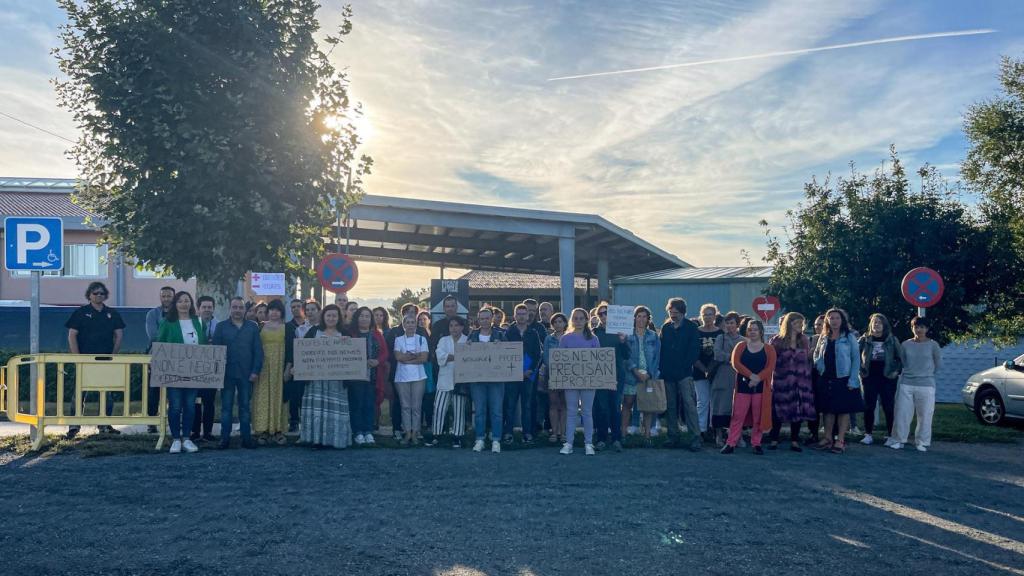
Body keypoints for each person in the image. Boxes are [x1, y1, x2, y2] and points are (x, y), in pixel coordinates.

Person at [65, 281, 125, 438]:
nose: (99, 295)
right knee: (79, 393)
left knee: (107, 394)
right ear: (89, 295)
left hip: (105, 359)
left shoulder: (112, 313)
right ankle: (74, 426)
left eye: (101, 293)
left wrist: (113, 354)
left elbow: (119, 335)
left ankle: (105, 424)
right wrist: (78, 358)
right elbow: (72, 335)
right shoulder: (81, 312)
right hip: (85, 359)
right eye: (95, 293)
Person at [156, 291, 208, 454]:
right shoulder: (167, 322)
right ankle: (176, 439)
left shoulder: (198, 322)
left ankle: (187, 438)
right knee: (176, 405)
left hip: (193, 371)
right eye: (180, 301)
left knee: (190, 406)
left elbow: (204, 345)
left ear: (191, 304)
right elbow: (160, 343)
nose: (184, 304)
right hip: (174, 370)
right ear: (175, 304)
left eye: (187, 301)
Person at [213, 297, 263, 449]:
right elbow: (216, 352)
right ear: (230, 309)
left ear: (245, 310)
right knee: (226, 407)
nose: (237, 310)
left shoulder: (253, 327)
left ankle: (246, 439)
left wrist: (255, 371)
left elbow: (258, 351)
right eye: (234, 307)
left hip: (247, 373)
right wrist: (216, 374)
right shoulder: (221, 327)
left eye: (240, 307)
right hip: (227, 374)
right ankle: (224, 439)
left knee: (245, 407)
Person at [300, 304, 352, 449]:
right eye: (328, 315)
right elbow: (302, 352)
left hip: (337, 380)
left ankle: (335, 440)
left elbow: (352, 355)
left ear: (338, 318)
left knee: (334, 409)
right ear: (323, 316)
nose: (331, 318)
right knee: (318, 409)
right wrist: (297, 368)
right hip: (316, 381)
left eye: (334, 315)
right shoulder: (313, 331)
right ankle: (316, 439)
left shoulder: (345, 333)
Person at [721, 319, 776, 455]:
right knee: (738, 416)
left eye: (755, 329)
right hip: (743, 387)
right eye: (750, 329)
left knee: (758, 417)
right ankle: (731, 443)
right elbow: (736, 363)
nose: (752, 332)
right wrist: (751, 376)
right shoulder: (740, 346)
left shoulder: (769, 349)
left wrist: (758, 378)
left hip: (760, 387)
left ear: (761, 331)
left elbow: (770, 367)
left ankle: (756, 443)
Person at [813, 308, 863, 454]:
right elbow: (816, 353)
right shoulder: (823, 337)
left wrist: (853, 380)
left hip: (843, 378)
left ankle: (840, 440)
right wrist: (818, 364)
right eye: (831, 318)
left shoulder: (849, 337)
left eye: (837, 318)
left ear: (842, 320)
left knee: (843, 410)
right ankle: (828, 438)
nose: (834, 321)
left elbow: (856, 359)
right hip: (826, 377)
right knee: (827, 410)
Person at [890, 317, 942, 452]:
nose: (919, 330)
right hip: (906, 383)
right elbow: (902, 361)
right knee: (902, 414)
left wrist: (926, 374)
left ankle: (922, 442)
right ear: (912, 328)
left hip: (926, 384)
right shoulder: (905, 344)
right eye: (916, 327)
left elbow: (938, 364)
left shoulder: (933, 345)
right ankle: (899, 440)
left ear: (927, 329)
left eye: (922, 327)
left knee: (925, 415)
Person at [767, 312, 816, 451]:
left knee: (798, 410)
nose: (799, 326)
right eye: (796, 323)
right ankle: (774, 439)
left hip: (801, 381)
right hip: (781, 381)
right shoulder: (776, 341)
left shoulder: (804, 340)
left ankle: (794, 440)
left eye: (801, 323)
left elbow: (807, 359)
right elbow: (771, 361)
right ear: (788, 324)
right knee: (778, 410)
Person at [658, 298, 702, 450]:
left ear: (683, 312)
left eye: (675, 312)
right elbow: (661, 350)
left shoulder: (691, 327)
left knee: (689, 405)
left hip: (684, 373)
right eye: (670, 312)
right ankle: (673, 436)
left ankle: (695, 437)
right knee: (670, 406)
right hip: (668, 373)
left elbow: (694, 351)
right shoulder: (665, 328)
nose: (673, 315)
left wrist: (684, 367)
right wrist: (663, 370)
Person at [558, 308, 601, 456]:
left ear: (586, 320)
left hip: (589, 381)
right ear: (571, 320)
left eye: (581, 318)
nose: (578, 321)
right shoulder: (565, 339)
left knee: (587, 412)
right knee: (571, 412)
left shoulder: (593, 339)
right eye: (575, 318)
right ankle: (569, 443)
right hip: (570, 381)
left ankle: (588, 443)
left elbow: (599, 360)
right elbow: (560, 361)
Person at [253, 299, 294, 445]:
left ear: (281, 312)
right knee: (262, 397)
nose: (274, 312)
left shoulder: (288, 328)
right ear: (267, 312)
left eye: (277, 310)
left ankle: (278, 431)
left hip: (280, 368)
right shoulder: (259, 327)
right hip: (263, 368)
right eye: (271, 310)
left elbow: (291, 350)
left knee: (279, 397)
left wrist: (288, 368)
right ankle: (263, 431)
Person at [858, 313, 902, 446]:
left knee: (888, 406)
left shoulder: (892, 340)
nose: (876, 324)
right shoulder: (864, 340)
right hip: (869, 376)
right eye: (874, 322)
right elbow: (855, 355)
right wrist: (860, 370)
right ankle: (868, 434)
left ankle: (890, 435)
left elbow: (900, 358)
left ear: (884, 325)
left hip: (887, 377)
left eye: (879, 322)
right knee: (869, 406)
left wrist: (896, 372)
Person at [503, 303, 544, 444]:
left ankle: (527, 433)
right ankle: (508, 433)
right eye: (518, 314)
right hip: (511, 374)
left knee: (527, 406)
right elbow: (503, 353)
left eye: (523, 314)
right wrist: (514, 371)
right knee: (510, 405)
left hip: (528, 376)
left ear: (528, 316)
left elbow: (538, 354)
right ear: (514, 316)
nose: (521, 316)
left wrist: (530, 370)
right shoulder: (508, 332)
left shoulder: (533, 333)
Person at [348, 306, 389, 445]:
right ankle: (358, 432)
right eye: (361, 316)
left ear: (370, 319)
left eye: (367, 316)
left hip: (373, 375)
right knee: (357, 404)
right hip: (355, 377)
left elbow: (385, 353)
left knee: (369, 404)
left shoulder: (377, 335)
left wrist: (377, 361)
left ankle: (368, 431)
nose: (364, 319)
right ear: (357, 318)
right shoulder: (350, 334)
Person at [593, 302, 629, 452]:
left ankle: (616, 439)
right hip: (599, 374)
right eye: (600, 314)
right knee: (601, 407)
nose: (603, 316)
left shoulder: (621, 333)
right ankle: (601, 438)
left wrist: (623, 342)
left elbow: (627, 355)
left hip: (617, 375)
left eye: (606, 312)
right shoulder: (593, 333)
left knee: (615, 407)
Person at [468, 307, 506, 453]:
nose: (484, 321)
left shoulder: (501, 334)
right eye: (482, 318)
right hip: (477, 380)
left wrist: (500, 346)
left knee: (496, 411)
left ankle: (496, 440)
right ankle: (480, 439)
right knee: (479, 410)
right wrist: (468, 347)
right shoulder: (472, 335)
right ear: (478, 320)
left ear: (492, 318)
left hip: (496, 379)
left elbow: (509, 352)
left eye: (487, 318)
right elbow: (466, 356)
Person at [432, 315, 469, 448]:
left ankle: (457, 436)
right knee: (439, 408)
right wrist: (459, 356)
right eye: (451, 326)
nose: (453, 328)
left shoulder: (467, 340)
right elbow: (440, 356)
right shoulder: (443, 340)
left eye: (456, 325)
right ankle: (436, 434)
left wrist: (452, 357)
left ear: (462, 327)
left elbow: (469, 358)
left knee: (459, 410)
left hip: (461, 380)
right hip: (445, 378)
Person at [625, 306, 660, 443]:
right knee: (628, 403)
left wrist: (651, 373)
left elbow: (657, 356)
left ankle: (647, 435)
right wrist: (634, 370)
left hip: (648, 376)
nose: (641, 319)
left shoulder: (653, 335)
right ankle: (625, 433)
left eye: (644, 316)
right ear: (634, 318)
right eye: (638, 316)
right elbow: (626, 356)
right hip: (631, 375)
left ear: (648, 319)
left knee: (647, 405)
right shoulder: (628, 335)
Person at [393, 313, 429, 445]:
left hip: (419, 376)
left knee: (416, 406)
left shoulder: (422, 339)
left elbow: (424, 358)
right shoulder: (399, 340)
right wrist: (415, 357)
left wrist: (407, 359)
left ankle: (415, 432)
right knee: (405, 406)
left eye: (412, 322)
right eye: (407, 322)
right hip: (402, 377)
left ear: (416, 324)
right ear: (403, 325)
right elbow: (398, 357)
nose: (410, 325)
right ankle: (407, 432)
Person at [710, 312, 744, 447]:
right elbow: (717, 355)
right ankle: (718, 436)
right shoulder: (720, 338)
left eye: (732, 323)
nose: (729, 326)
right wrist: (734, 358)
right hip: (722, 375)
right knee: (719, 406)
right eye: (727, 323)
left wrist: (730, 358)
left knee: (737, 407)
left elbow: (746, 357)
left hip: (738, 376)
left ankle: (737, 436)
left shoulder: (743, 340)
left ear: (737, 324)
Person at [145, 285, 175, 428]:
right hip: (156, 355)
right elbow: (153, 335)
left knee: (174, 390)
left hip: (177, 358)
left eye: (169, 296)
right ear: (160, 297)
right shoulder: (152, 314)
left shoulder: (180, 314)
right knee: (154, 390)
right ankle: (152, 422)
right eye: (164, 296)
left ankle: (172, 420)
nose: (166, 299)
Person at [191, 296, 219, 443]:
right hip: (195, 368)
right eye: (204, 307)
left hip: (212, 369)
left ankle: (207, 432)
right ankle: (195, 431)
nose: (207, 310)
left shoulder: (218, 325)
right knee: (195, 401)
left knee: (209, 402)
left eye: (209, 307)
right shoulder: (192, 324)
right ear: (198, 308)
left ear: (213, 308)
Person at [694, 303, 723, 440]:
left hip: (717, 372)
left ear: (715, 316)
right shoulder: (696, 332)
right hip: (699, 370)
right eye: (705, 314)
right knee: (702, 401)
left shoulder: (720, 333)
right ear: (701, 315)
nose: (707, 317)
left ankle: (714, 428)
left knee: (715, 401)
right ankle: (701, 430)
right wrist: (703, 369)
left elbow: (721, 354)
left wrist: (711, 369)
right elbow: (693, 354)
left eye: (710, 314)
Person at [541, 312, 568, 444]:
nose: (558, 324)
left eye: (560, 321)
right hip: (552, 375)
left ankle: (563, 432)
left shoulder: (569, 338)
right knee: (553, 404)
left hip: (568, 375)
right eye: (555, 322)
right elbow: (545, 357)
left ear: (565, 323)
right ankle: (554, 431)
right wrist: (554, 369)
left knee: (564, 404)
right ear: (552, 325)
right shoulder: (548, 339)